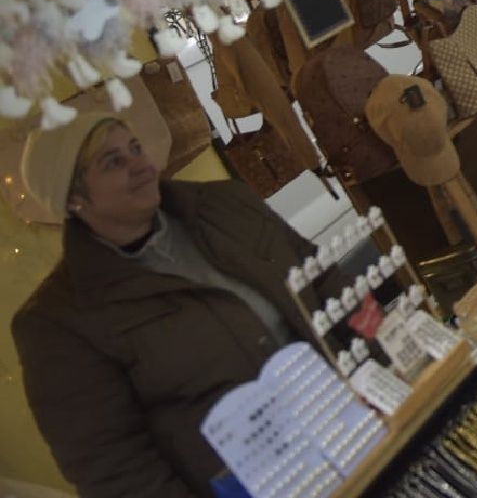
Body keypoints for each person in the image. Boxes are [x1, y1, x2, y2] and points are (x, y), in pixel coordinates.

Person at [13, 113, 318, 496]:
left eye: (135, 148)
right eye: (113, 162)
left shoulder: (227, 206)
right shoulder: (59, 323)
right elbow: (116, 469)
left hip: (359, 425)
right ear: (74, 199)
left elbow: (326, 284)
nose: (140, 165)